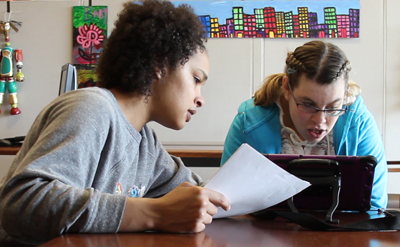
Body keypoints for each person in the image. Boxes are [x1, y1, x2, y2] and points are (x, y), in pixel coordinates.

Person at [0, 0, 230, 245]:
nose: (200, 99)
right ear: (160, 65)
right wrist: (155, 213)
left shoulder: (146, 143)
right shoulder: (92, 107)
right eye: (196, 79)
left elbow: (200, 193)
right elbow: (22, 203)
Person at [221, 40, 388, 209]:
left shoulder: (360, 124)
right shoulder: (248, 123)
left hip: (343, 232)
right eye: (308, 105)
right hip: (265, 232)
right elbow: (226, 201)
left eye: (332, 107)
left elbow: (374, 206)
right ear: (287, 88)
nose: (320, 121)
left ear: (344, 96)